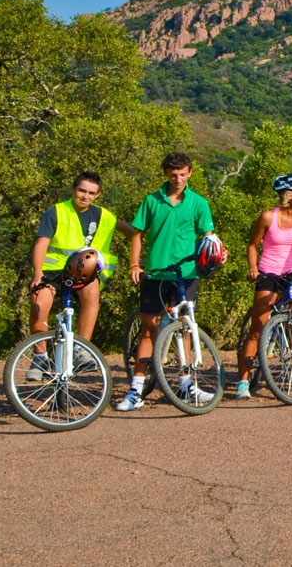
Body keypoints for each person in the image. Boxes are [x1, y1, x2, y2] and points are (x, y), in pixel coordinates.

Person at [117, 153, 219, 411]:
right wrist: (134, 263)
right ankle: (136, 390)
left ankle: (185, 385)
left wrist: (219, 252)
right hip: (155, 273)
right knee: (149, 328)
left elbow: (208, 236)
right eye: (173, 174)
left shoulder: (198, 202)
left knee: (183, 328)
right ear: (165, 174)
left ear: (190, 173)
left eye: (183, 174)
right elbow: (137, 233)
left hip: (187, 274)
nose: (178, 179)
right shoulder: (152, 200)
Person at [235, 174, 292, 399]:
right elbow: (252, 245)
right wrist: (253, 268)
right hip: (268, 273)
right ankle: (243, 383)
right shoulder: (268, 217)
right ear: (290, 196)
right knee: (258, 331)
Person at [26, 171, 117, 380]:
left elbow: (130, 230)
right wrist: (37, 273)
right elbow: (42, 243)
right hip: (53, 271)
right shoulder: (56, 212)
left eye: (91, 193)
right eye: (82, 190)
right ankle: (40, 357)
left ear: (98, 195)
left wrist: (137, 257)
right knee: (39, 302)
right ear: (73, 190)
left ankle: (82, 350)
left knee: (92, 293)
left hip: (82, 274)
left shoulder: (104, 216)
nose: (85, 196)